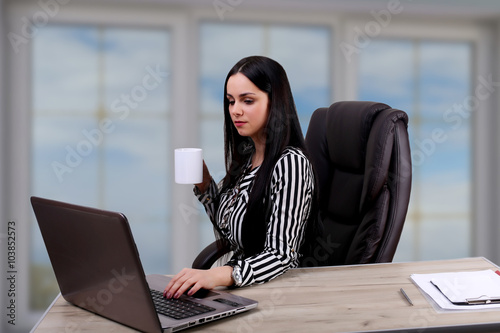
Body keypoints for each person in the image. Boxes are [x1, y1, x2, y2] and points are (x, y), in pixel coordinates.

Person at [163, 55, 319, 299]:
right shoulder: (248, 158)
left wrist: (216, 275)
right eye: (230, 101)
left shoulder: (290, 164)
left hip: (274, 294)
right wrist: (205, 186)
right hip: (243, 289)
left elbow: (281, 256)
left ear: (275, 102)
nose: (235, 111)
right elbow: (232, 230)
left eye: (247, 101)